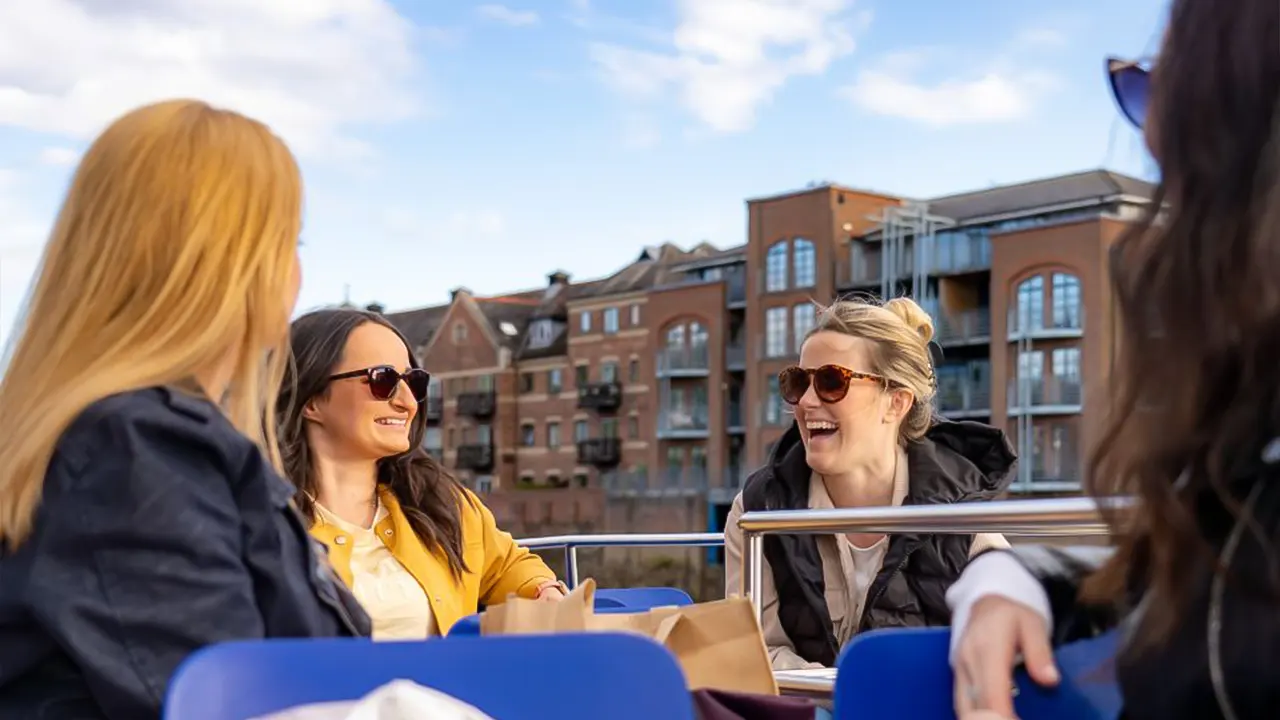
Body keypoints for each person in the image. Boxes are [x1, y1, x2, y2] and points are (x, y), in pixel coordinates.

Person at [948, 1, 1280, 717]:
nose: (1153, 139)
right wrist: (1004, 580)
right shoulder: (1239, 464)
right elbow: (1159, 581)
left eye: (1170, 96)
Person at [0, 100, 369, 720]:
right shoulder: (135, 451)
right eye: (288, 242)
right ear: (234, 264)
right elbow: (234, 702)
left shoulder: (111, 437)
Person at [724, 297, 1015, 670]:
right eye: (798, 381)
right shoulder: (755, 511)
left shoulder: (961, 514)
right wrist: (852, 696)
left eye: (832, 381)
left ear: (896, 403)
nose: (807, 402)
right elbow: (754, 651)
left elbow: (1001, 648)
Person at [277, 308, 565, 640]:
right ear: (311, 399)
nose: (408, 401)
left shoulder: (439, 503)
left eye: (414, 382)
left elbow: (507, 565)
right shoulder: (268, 520)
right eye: (382, 380)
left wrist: (543, 591)